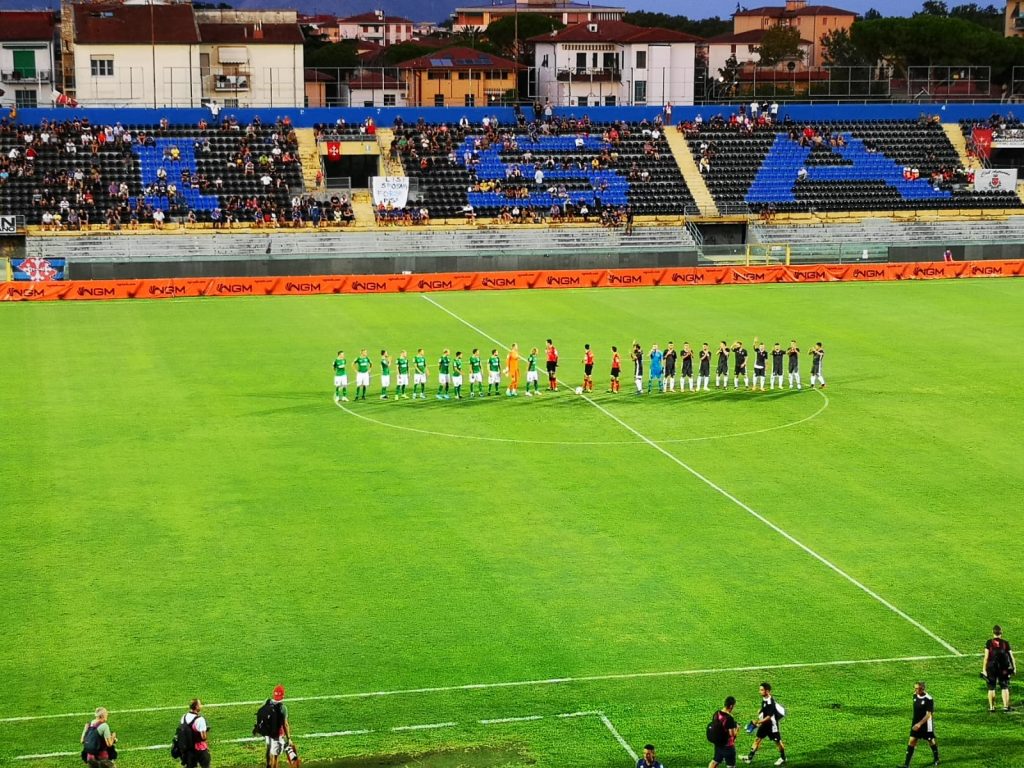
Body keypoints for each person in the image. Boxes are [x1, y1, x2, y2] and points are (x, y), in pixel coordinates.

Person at [741, 682, 786, 765]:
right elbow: (764, 711)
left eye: (762, 690)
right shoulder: (764, 699)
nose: (760, 691)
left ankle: (783, 758)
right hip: (765, 725)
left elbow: (769, 717)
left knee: (778, 742)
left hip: (772, 726)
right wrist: (760, 713)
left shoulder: (770, 702)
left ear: (767, 691)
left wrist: (758, 722)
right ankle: (749, 758)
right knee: (757, 739)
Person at [903, 681, 938, 767]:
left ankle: (936, 758)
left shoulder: (929, 699)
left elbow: (929, 714)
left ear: (923, 689)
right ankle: (906, 765)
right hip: (916, 723)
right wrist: (916, 723)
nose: (915, 690)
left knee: (931, 741)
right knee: (911, 741)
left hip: (926, 724)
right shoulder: (915, 695)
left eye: (917, 688)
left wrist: (919, 724)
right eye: (914, 688)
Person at [983, 625, 1016, 712]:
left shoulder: (989, 642)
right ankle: (1005, 707)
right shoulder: (1005, 643)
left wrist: (984, 669)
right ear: (1001, 633)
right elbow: (1011, 657)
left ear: (993, 632)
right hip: (1003, 668)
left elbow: (986, 657)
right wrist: (1014, 668)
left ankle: (992, 708)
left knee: (991, 688)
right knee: (1004, 687)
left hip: (991, 667)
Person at [264, 685, 291, 768]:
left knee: (269, 748)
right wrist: (289, 738)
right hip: (277, 734)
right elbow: (285, 724)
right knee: (275, 757)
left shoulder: (267, 703)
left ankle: (268, 765)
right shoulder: (283, 708)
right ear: (283, 695)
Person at [710, 696, 739, 768]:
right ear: (731, 706)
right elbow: (732, 734)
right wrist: (737, 728)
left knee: (714, 762)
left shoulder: (716, 713)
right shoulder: (729, 718)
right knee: (731, 766)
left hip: (718, 744)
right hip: (728, 746)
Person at [181, 699, 209, 768]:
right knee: (206, 765)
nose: (201, 706)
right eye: (200, 704)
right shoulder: (200, 719)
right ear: (196, 707)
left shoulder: (183, 717)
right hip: (199, 748)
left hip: (188, 749)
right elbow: (203, 737)